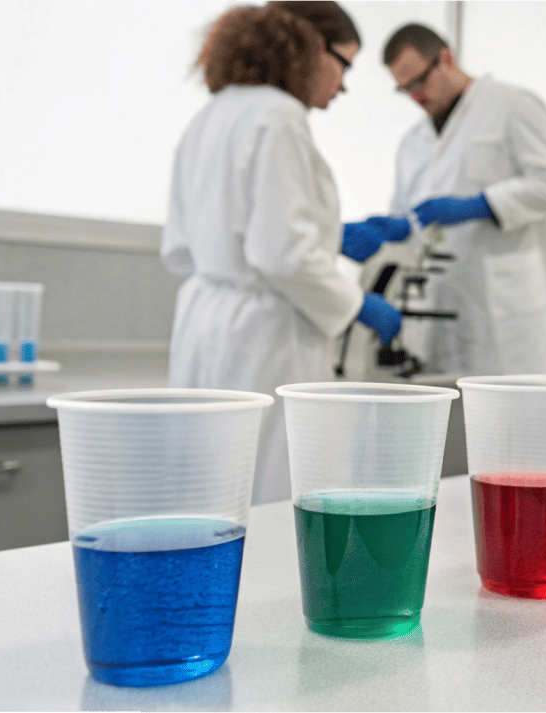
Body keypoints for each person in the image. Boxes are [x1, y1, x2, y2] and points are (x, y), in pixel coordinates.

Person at [162, 1, 404, 504]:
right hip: (266, 338)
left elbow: (189, 247)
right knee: (271, 497)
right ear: (312, 48)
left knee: (208, 492)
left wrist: (325, 234)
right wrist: (359, 304)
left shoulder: (212, 115)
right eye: (346, 64)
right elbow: (281, 256)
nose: (343, 85)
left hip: (205, 324)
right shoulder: (280, 116)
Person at [379, 23, 546, 376]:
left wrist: (480, 205)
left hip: (506, 317)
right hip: (436, 312)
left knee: (515, 421)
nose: (416, 97)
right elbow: (405, 218)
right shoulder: (412, 142)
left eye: (419, 82)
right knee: (448, 424)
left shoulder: (511, 105)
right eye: (404, 89)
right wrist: (391, 229)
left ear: (446, 58)